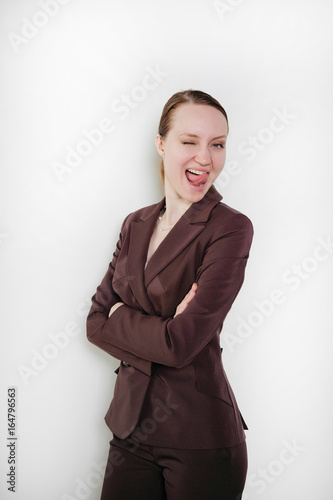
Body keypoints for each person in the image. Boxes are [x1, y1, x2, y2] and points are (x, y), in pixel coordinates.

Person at [86, 89, 254, 499]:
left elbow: (181, 345)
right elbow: (94, 323)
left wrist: (121, 319)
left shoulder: (230, 229)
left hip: (200, 438)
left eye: (217, 144)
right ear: (161, 145)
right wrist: (163, 327)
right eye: (189, 141)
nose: (205, 158)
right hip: (129, 429)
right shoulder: (135, 224)